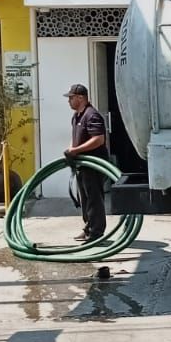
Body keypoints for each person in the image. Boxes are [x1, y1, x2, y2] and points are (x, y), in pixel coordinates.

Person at [64, 83, 109, 242]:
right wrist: (71, 148)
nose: (69, 101)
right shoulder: (77, 116)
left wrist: (76, 151)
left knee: (94, 198)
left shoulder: (92, 115)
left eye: (71, 98)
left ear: (81, 97)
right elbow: (75, 137)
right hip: (82, 165)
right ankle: (88, 227)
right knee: (85, 199)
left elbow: (98, 139)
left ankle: (96, 232)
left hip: (93, 164)